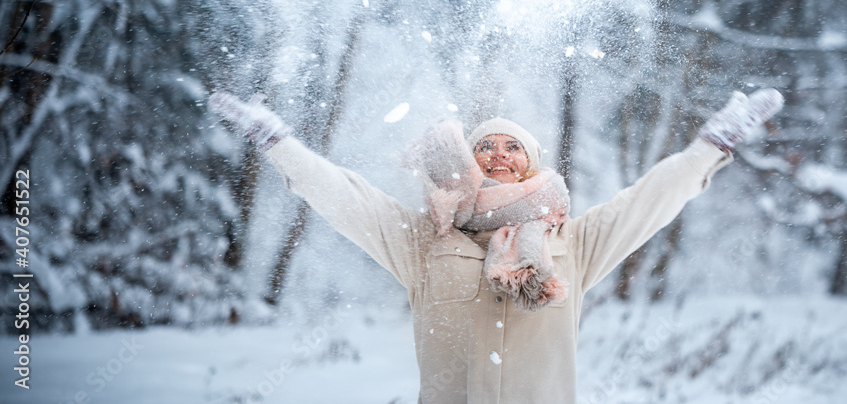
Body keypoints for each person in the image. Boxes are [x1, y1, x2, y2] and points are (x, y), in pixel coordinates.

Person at [209, 88, 783, 403]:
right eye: (487, 147)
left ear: (532, 165)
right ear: (467, 162)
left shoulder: (572, 243)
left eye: (514, 147)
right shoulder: (425, 241)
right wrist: (278, 142)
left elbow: (649, 199)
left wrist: (712, 144)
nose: (500, 155)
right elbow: (344, 196)